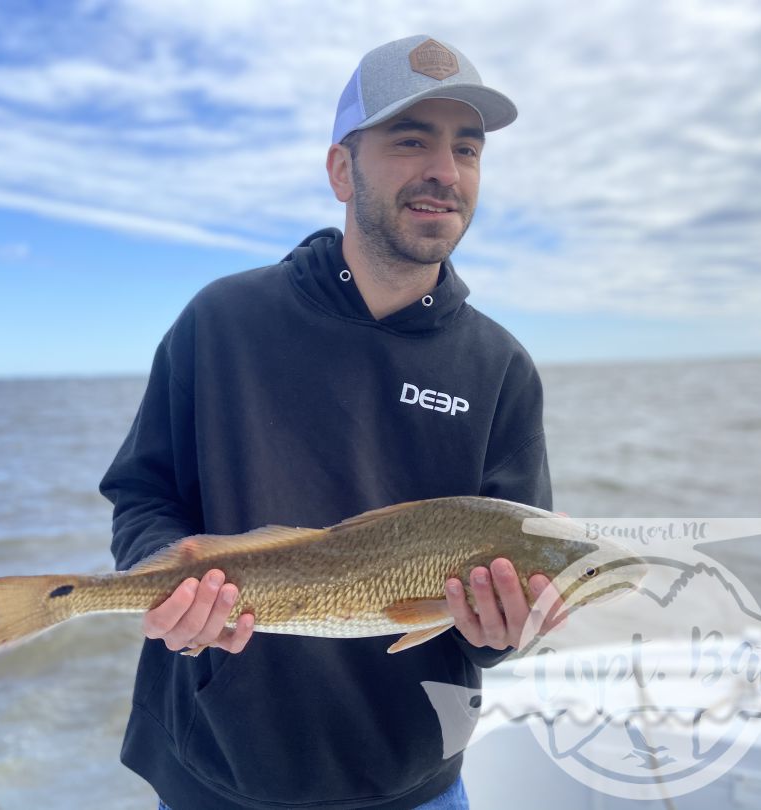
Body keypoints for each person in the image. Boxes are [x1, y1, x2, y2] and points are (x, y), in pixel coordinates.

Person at [99, 34, 554, 810]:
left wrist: (509, 626)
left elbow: (504, 603)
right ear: (342, 168)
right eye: (411, 140)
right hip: (215, 770)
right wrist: (171, 590)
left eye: (467, 149)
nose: (444, 171)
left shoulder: (500, 367)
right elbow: (144, 495)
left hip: (413, 781)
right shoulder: (223, 321)